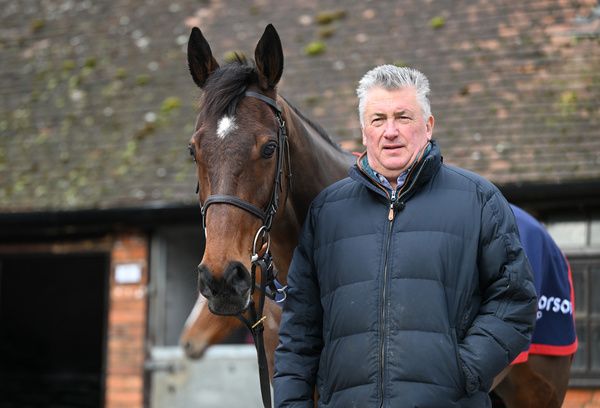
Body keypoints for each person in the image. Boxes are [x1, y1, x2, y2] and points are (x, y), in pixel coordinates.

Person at [273, 65, 538, 407]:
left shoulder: (479, 200)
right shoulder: (326, 212)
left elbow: (514, 301)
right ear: (364, 130)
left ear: (428, 126)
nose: (391, 131)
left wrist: (461, 372)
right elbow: (299, 330)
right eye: (378, 119)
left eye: (403, 117)